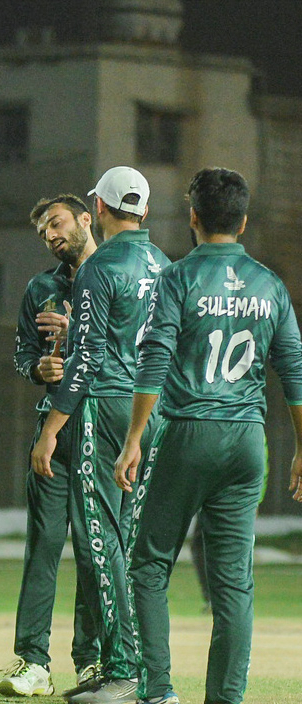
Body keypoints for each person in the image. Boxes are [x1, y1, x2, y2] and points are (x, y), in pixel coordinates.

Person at [115, 167, 302, 704]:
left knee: (148, 564)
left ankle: (158, 691)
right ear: (243, 221)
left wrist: (134, 437)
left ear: (193, 217)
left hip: (186, 432)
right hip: (246, 441)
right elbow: (293, 369)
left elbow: (154, 359)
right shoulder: (270, 284)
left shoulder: (177, 278)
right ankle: (226, 698)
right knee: (233, 582)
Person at [30, 166, 171, 704]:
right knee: (129, 542)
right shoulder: (165, 266)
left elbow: (86, 359)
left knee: (98, 541)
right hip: (151, 412)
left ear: (99, 208)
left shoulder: (100, 266)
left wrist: (51, 429)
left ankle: (121, 669)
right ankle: (143, 670)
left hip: (106, 409)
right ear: (145, 210)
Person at [0, 194, 99, 697]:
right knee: (42, 545)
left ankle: (93, 661)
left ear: (86, 218)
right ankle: (33, 661)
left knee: (94, 549)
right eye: (43, 232)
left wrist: (77, 330)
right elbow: (22, 351)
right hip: (53, 433)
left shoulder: (118, 276)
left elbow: (133, 347)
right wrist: (36, 367)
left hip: (102, 427)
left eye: (57, 224)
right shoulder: (41, 287)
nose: (52, 236)